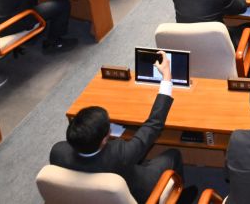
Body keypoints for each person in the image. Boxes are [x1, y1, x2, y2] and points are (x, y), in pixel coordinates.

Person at [53, 51, 196, 204]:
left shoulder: (57, 152)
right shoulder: (121, 155)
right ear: (103, 140)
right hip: (139, 193)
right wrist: (167, 77)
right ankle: (178, 195)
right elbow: (154, 124)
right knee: (173, 155)